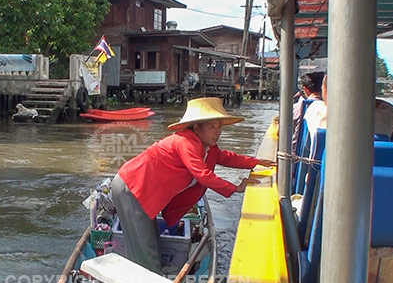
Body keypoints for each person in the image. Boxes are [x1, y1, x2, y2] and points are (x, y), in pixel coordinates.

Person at [110, 97, 276, 273]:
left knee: (150, 237)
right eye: (212, 126)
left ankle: (155, 271)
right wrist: (235, 188)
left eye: (220, 126)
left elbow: (226, 157)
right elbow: (203, 175)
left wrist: (256, 162)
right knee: (143, 243)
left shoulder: (207, 147)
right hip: (131, 187)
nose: (218, 131)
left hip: (145, 190)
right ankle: (149, 282)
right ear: (197, 127)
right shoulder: (185, 142)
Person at [292, 72, 325, 154]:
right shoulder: (328, 109)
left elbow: (281, 132)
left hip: (297, 155)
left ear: (305, 89)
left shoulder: (298, 108)